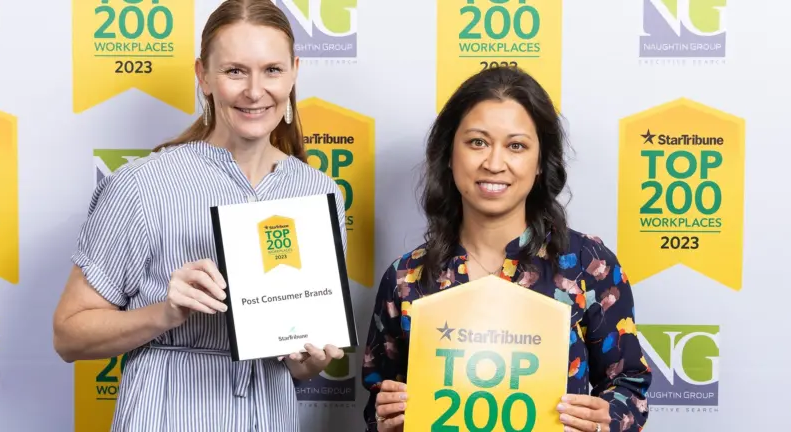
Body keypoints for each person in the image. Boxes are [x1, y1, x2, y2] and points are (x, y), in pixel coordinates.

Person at [51, 1, 346, 430]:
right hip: (169, 412)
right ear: (203, 76)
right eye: (234, 71)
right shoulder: (142, 184)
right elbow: (67, 335)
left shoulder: (319, 192)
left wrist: (310, 361)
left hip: (270, 415)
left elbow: (300, 367)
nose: (254, 90)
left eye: (272, 70)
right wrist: (165, 313)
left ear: (294, 72)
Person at [361, 66, 653, 432]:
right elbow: (377, 402)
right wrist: (386, 416)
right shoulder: (407, 277)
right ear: (450, 154)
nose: (494, 163)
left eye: (516, 146)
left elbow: (630, 386)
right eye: (477, 142)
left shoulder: (587, 265)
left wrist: (603, 420)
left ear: (540, 164)